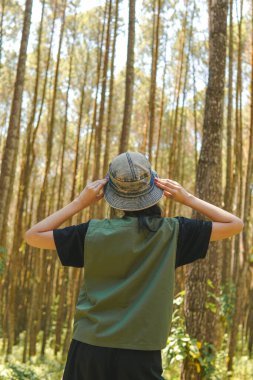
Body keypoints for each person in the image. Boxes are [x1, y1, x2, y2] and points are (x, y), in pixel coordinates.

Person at [25, 151, 244, 380]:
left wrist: (81, 202)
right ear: (154, 187)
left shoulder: (92, 233)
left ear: (110, 192)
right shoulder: (172, 233)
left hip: (89, 346)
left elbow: (33, 236)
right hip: (141, 350)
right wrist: (187, 198)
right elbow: (234, 224)